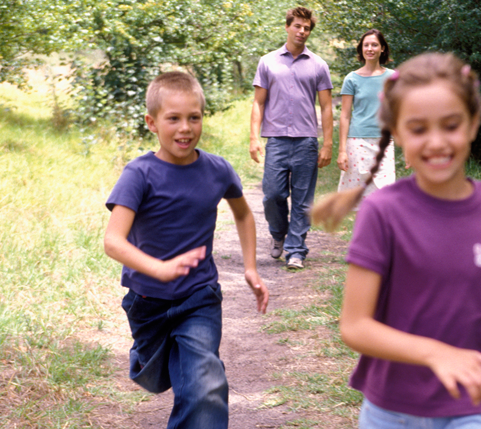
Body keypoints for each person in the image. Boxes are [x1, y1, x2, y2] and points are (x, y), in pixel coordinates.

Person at [312, 53, 481, 428]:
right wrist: (435, 354)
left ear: (472, 124)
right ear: (398, 133)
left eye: (451, 125)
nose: (436, 142)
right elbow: (354, 325)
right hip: (390, 411)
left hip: (472, 407)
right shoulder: (382, 213)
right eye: (418, 129)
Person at [104, 71, 269, 429]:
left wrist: (250, 268)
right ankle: (153, 358)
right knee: (155, 373)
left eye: (194, 117)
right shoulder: (139, 174)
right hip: (148, 303)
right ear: (152, 122)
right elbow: (113, 241)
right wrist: (158, 269)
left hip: (198, 297)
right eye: (173, 118)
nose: (185, 128)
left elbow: (243, 214)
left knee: (204, 386)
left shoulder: (217, 169)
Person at [250, 6, 334, 270]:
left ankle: (296, 250)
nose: (302, 31)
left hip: (306, 141)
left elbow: (327, 107)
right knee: (272, 195)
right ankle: (278, 234)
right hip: (276, 140)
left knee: (303, 200)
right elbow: (258, 103)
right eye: (297, 26)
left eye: (307, 28)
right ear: (287, 26)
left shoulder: (319, 64)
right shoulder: (268, 61)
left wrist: (328, 144)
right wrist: (254, 138)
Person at [337, 29, 395, 203]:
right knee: (357, 196)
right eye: (366, 45)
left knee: (385, 194)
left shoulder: (393, 78)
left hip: (384, 142)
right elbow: (345, 115)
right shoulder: (352, 79)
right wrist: (341, 151)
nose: (370, 48)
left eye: (374, 45)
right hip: (357, 142)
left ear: (382, 48)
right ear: (361, 49)